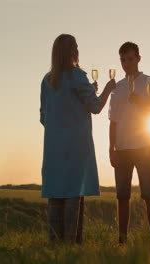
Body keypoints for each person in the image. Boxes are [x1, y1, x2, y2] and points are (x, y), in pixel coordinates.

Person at [40, 34, 116, 243]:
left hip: (54, 149)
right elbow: (96, 107)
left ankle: (55, 243)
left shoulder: (47, 81)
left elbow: (44, 117)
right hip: (76, 147)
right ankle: (72, 244)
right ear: (72, 51)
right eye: (76, 47)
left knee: (56, 195)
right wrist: (108, 90)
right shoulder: (77, 76)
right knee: (74, 193)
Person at [108, 42, 150, 244]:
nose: (126, 63)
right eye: (122, 60)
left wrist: (142, 102)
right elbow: (112, 121)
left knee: (148, 194)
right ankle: (122, 239)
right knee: (122, 196)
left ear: (139, 59)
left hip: (145, 146)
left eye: (130, 59)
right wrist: (111, 148)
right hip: (122, 148)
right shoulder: (117, 87)